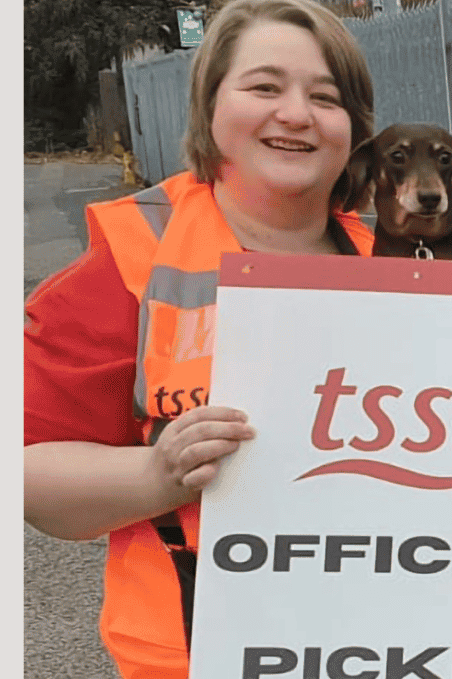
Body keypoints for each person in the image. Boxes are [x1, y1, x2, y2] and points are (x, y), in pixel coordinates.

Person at [24, 1, 375, 676]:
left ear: (352, 129)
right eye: (264, 87)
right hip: (197, 648)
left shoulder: (404, 266)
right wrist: (159, 475)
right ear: (210, 106)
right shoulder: (129, 259)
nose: (297, 113)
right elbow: (30, 476)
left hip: (384, 639)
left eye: (325, 97)